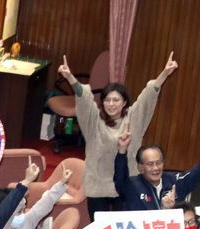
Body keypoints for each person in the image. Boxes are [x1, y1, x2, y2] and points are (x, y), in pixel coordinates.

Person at [55, 51, 178, 215]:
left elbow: (148, 96)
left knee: (124, 227)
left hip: (127, 185)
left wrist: (165, 73)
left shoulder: (134, 119)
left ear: (125, 102)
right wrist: (70, 78)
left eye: (116, 100)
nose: (111, 104)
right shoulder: (93, 121)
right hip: (98, 186)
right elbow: (84, 99)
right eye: (107, 100)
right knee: (101, 227)